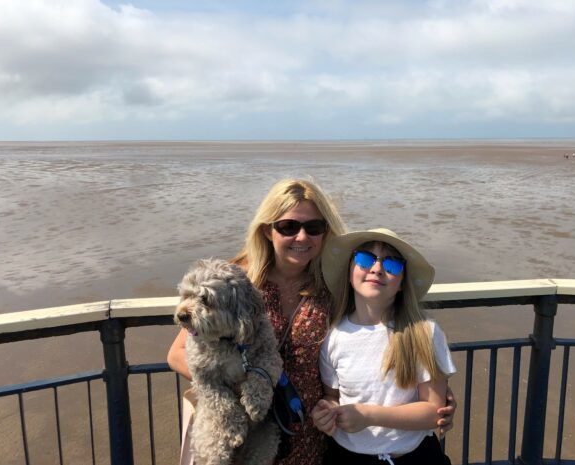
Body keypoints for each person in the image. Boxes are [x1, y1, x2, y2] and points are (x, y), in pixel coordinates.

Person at [167, 179, 456, 465]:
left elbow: (378, 336)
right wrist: (243, 383)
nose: (302, 238)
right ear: (268, 230)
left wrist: (432, 395)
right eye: (289, 227)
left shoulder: (333, 283)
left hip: (312, 433)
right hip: (247, 428)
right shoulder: (238, 280)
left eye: (314, 228)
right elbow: (179, 353)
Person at [312, 228, 456, 465]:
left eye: (392, 264)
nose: (377, 269)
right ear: (349, 272)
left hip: (414, 457)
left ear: (401, 283)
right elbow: (332, 396)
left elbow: (434, 412)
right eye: (364, 258)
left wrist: (369, 415)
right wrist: (327, 413)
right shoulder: (333, 337)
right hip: (347, 457)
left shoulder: (424, 332)